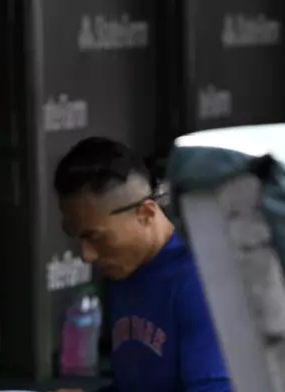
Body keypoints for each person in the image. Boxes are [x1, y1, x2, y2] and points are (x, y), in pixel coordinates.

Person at [53, 137, 231, 392]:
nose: (87, 255)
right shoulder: (124, 271)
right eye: (79, 237)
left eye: (96, 237)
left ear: (146, 213)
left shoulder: (199, 284)